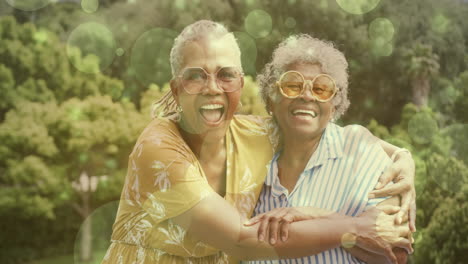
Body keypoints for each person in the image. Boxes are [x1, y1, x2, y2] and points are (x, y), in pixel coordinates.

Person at [101, 20, 413, 264]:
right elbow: (243, 240)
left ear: (240, 81)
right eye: (196, 76)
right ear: (176, 87)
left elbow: (331, 130)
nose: (213, 88)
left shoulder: (255, 134)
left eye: (226, 75)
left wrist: (403, 157)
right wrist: (354, 228)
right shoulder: (157, 148)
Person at [244, 34, 413, 264]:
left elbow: (395, 252)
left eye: (321, 88)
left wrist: (313, 214)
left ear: (334, 106)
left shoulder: (357, 147)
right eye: (292, 85)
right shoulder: (249, 160)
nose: (306, 95)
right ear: (272, 99)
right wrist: (351, 227)